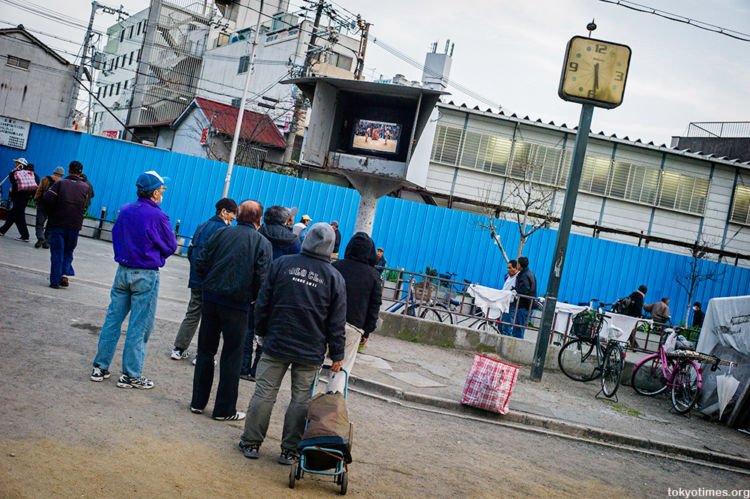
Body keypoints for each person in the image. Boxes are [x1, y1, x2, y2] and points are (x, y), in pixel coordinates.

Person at [238, 222, 346, 465]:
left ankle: (251, 443)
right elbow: (336, 321)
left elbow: (264, 301)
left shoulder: (282, 264)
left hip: (276, 341)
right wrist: (337, 354)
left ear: (306, 239)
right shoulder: (334, 278)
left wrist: (261, 332)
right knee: (300, 400)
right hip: (311, 349)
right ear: (330, 246)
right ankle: (290, 450)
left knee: (264, 393)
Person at [90, 170, 177, 389]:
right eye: (162, 190)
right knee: (139, 326)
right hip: (146, 273)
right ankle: (130, 374)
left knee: (113, 319)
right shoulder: (159, 216)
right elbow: (170, 246)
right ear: (155, 192)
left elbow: (117, 236)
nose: (162, 194)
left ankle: (100, 366)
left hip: (123, 269)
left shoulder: (126, 210)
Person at [190, 200, 272, 421]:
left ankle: (198, 402)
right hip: (238, 305)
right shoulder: (262, 243)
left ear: (238, 216)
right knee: (231, 356)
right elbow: (262, 279)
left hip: (212, 298)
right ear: (259, 219)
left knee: (206, 351)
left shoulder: (220, 234)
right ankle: (224, 410)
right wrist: (253, 299)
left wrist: (208, 282)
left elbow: (201, 260)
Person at [171, 198, 238, 361]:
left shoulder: (202, 226)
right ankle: (202, 355)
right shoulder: (224, 230)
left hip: (196, 278)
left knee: (192, 313)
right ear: (224, 212)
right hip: (212, 282)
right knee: (210, 319)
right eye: (233, 214)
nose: (234, 218)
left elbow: (191, 252)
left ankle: (179, 349)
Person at [241, 206, 302, 380]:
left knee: (248, 329)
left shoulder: (258, 234)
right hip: (278, 294)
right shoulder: (294, 241)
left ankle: (243, 367)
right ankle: (257, 371)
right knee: (267, 331)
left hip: (254, 290)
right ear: (285, 221)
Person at [328, 232, 382, 393]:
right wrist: (367, 331)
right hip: (354, 326)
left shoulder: (335, 267)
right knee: (341, 369)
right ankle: (330, 408)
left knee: (313, 365)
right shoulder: (373, 276)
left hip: (327, 323)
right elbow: (374, 307)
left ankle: (304, 401)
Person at [42, 161, 91, 289]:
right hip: (74, 225)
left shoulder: (60, 184)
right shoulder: (85, 187)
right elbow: (85, 205)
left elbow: (47, 199)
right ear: (81, 171)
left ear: (69, 170)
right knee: (68, 251)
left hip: (58, 223)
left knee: (57, 252)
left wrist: (52, 213)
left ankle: (55, 280)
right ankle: (64, 274)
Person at [0, 158, 37, 241]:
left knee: (19, 217)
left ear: (20, 164)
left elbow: (13, 181)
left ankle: (25, 236)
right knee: (12, 215)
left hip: (19, 198)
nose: (15, 164)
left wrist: (12, 172)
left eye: (17, 163)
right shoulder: (29, 174)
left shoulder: (19, 173)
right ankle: (2, 230)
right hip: (23, 198)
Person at [33, 166, 64, 249]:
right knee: (50, 224)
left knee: (39, 223)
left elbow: (39, 191)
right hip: (55, 207)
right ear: (62, 174)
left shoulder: (45, 179)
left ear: (54, 172)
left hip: (43, 203)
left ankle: (40, 237)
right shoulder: (63, 182)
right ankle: (47, 243)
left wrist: (36, 201)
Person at [511, 256, 536, 339]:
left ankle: (517, 348)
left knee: (518, 329)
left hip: (523, 305)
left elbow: (524, 290)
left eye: (517, 263)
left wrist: (515, 290)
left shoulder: (524, 275)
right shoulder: (529, 273)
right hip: (527, 304)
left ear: (520, 265)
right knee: (519, 327)